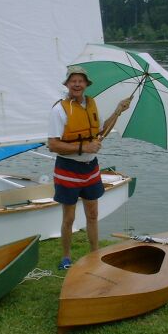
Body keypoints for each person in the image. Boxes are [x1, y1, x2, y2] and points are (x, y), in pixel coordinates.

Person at [48, 65, 131, 270]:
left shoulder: (92, 105)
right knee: (69, 217)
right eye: (73, 80)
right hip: (68, 168)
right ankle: (66, 258)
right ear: (67, 84)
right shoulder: (59, 109)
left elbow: (102, 130)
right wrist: (84, 146)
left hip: (91, 169)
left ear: (86, 84)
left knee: (93, 214)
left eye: (80, 80)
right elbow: (53, 144)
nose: (77, 84)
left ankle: (94, 254)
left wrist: (118, 111)